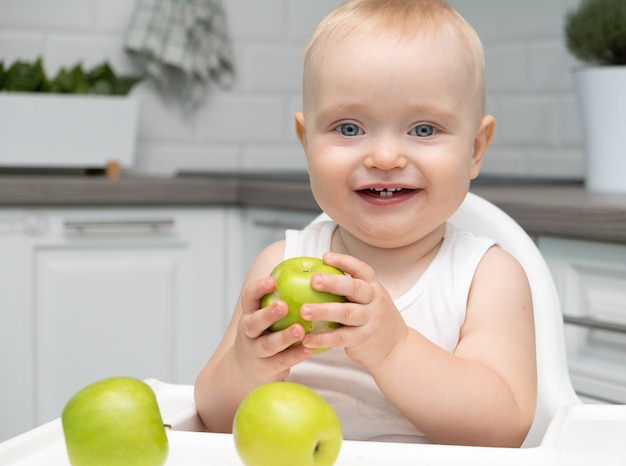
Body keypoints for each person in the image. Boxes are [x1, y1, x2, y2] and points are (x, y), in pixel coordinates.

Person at [194, 0, 536, 448]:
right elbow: (214, 420)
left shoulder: (487, 278)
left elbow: (504, 428)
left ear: (475, 149)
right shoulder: (282, 262)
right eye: (350, 128)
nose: (384, 158)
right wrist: (247, 365)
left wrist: (393, 348)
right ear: (306, 142)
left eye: (424, 129)